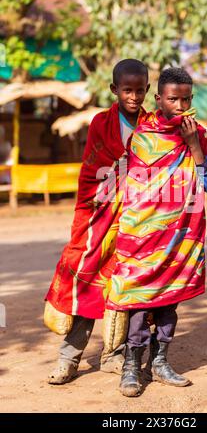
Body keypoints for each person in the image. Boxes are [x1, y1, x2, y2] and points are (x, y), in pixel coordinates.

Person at [105, 67, 207, 397]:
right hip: (143, 235)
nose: (180, 106)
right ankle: (130, 366)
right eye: (173, 99)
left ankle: (161, 361)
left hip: (181, 234)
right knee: (140, 300)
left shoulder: (198, 134)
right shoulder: (142, 137)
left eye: (186, 99)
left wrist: (193, 143)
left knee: (170, 301)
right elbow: (133, 189)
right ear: (158, 99)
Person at [46, 59, 150, 384]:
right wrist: (118, 178)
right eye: (127, 90)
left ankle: (113, 356)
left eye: (139, 90)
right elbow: (91, 170)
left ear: (147, 90)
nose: (133, 96)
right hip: (98, 217)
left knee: (123, 287)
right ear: (114, 90)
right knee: (85, 279)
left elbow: (159, 171)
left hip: (136, 220)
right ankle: (69, 357)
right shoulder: (100, 124)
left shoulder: (154, 125)